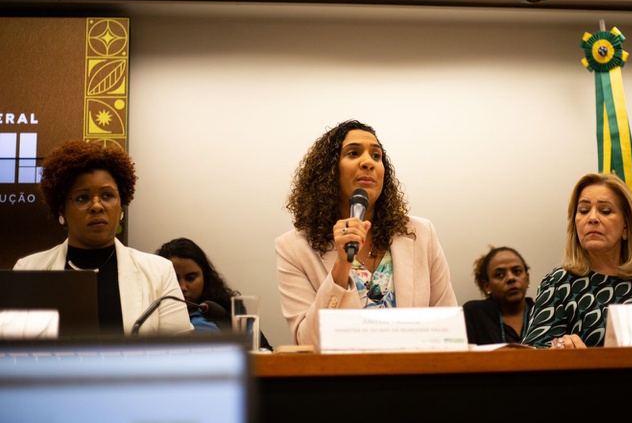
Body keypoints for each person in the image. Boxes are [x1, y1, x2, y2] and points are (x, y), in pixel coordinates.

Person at [275, 119, 457, 348]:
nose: (368, 162)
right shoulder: (294, 248)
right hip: (345, 380)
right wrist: (341, 266)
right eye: (353, 153)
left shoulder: (420, 234)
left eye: (376, 156)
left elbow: (448, 328)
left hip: (414, 377)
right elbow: (308, 342)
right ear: (329, 171)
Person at [14, 139, 193, 335]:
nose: (97, 206)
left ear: (121, 205)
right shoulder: (28, 270)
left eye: (107, 196)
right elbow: (14, 352)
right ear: (61, 210)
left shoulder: (159, 272)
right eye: (82, 198)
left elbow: (178, 354)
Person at [522, 172, 632, 349]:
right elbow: (532, 352)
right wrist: (560, 345)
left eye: (605, 211)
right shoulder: (559, 284)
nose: (592, 218)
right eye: (584, 211)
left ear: (626, 225)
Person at [157, 237, 273, 349]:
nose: (183, 287)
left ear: (205, 276)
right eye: (174, 279)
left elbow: (264, 351)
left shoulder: (225, 310)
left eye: (191, 278)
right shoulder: (150, 316)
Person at [462, 246, 534, 345]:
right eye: (500, 275)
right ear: (487, 286)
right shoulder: (474, 314)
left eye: (517, 271)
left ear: (527, 278)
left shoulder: (544, 314)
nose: (511, 278)